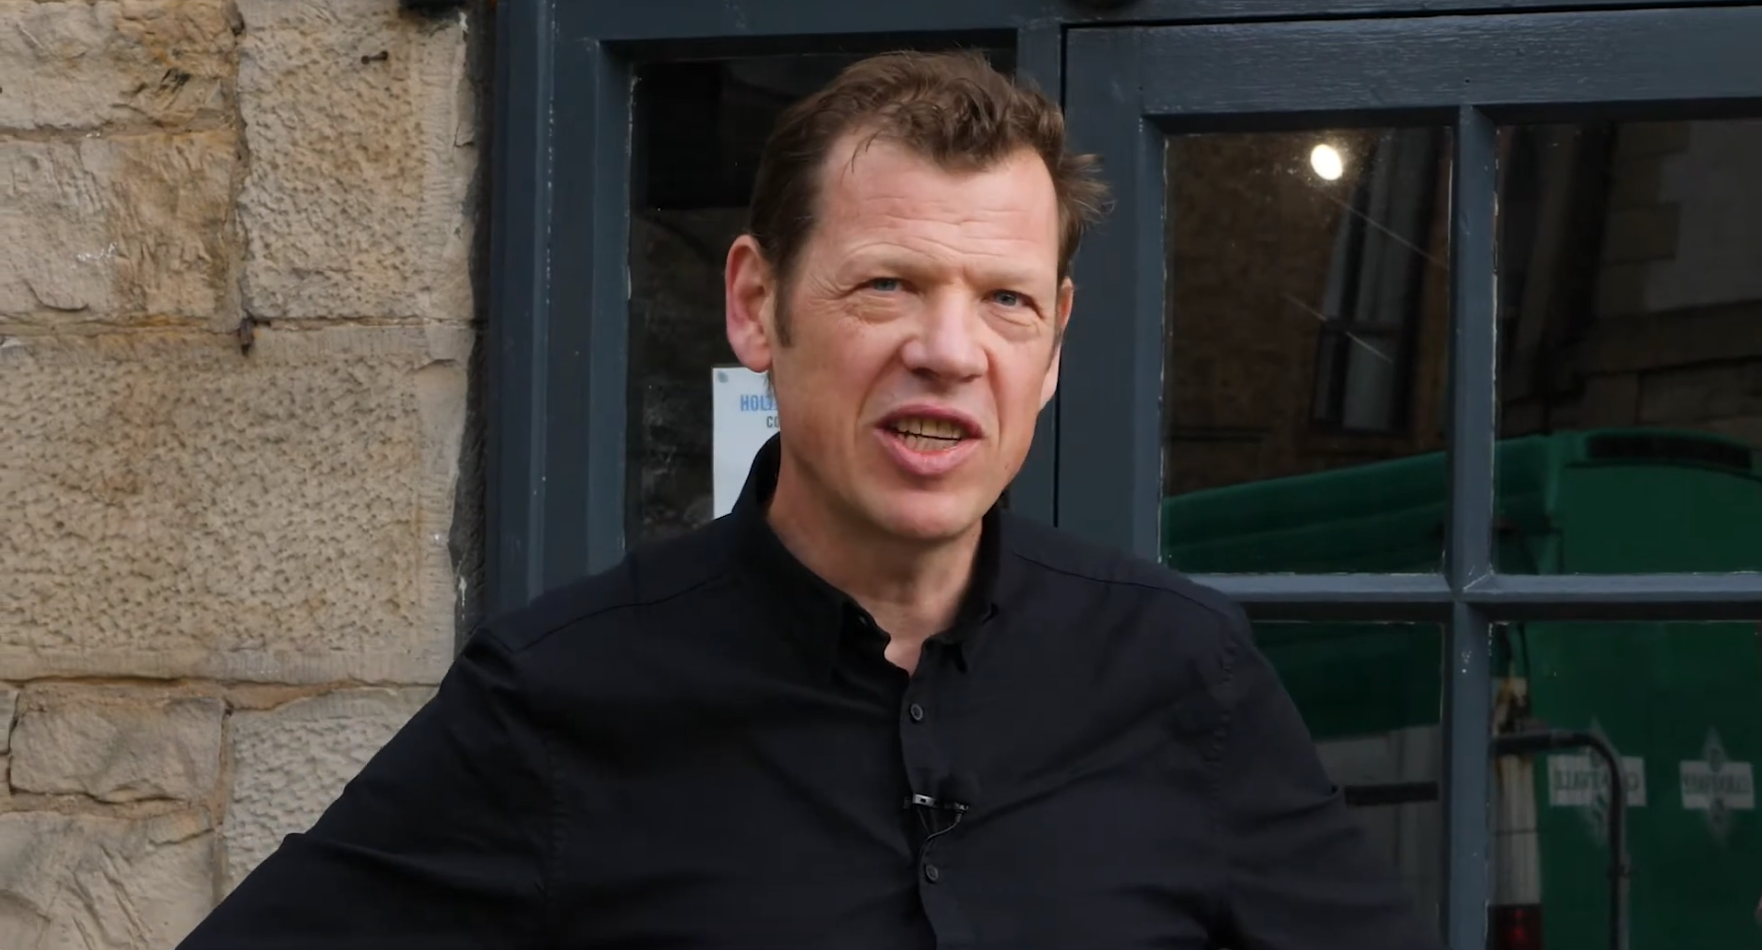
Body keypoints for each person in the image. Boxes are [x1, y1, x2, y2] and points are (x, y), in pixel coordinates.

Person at [178, 50, 1441, 949]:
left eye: (1004, 300)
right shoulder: (558, 696)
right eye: (887, 284)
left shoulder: (1183, 669)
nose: (948, 351)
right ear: (754, 305)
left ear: (1052, 342)